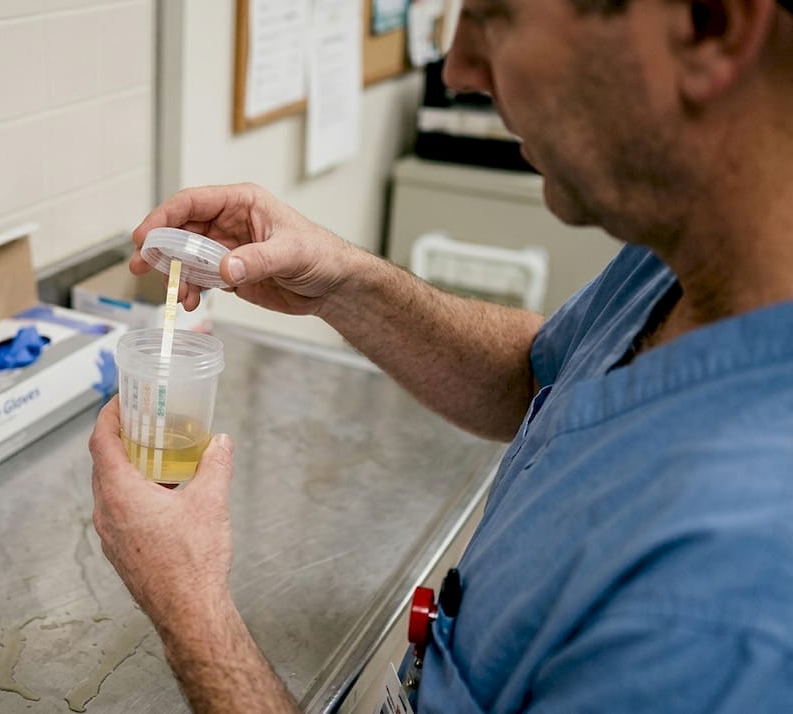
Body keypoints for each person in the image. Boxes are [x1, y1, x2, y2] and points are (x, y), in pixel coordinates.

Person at [89, 0, 793, 711]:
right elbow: (544, 375)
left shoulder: (727, 614)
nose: (457, 68)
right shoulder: (683, 255)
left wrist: (191, 608)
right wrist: (345, 282)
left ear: (710, 25)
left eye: (495, 15)